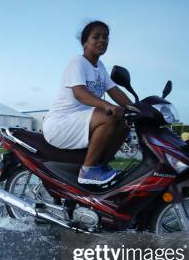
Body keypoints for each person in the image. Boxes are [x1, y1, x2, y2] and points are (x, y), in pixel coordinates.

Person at [43, 20, 138, 185]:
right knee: (108, 116)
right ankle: (88, 171)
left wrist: (137, 109)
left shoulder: (100, 67)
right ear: (85, 42)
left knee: (123, 124)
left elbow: (115, 91)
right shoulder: (77, 62)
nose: (103, 40)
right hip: (60, 123)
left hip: (82, 121)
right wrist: (107, 105)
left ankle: (101, 166)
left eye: (106, 37)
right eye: (96, 36)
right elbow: (80, 93)